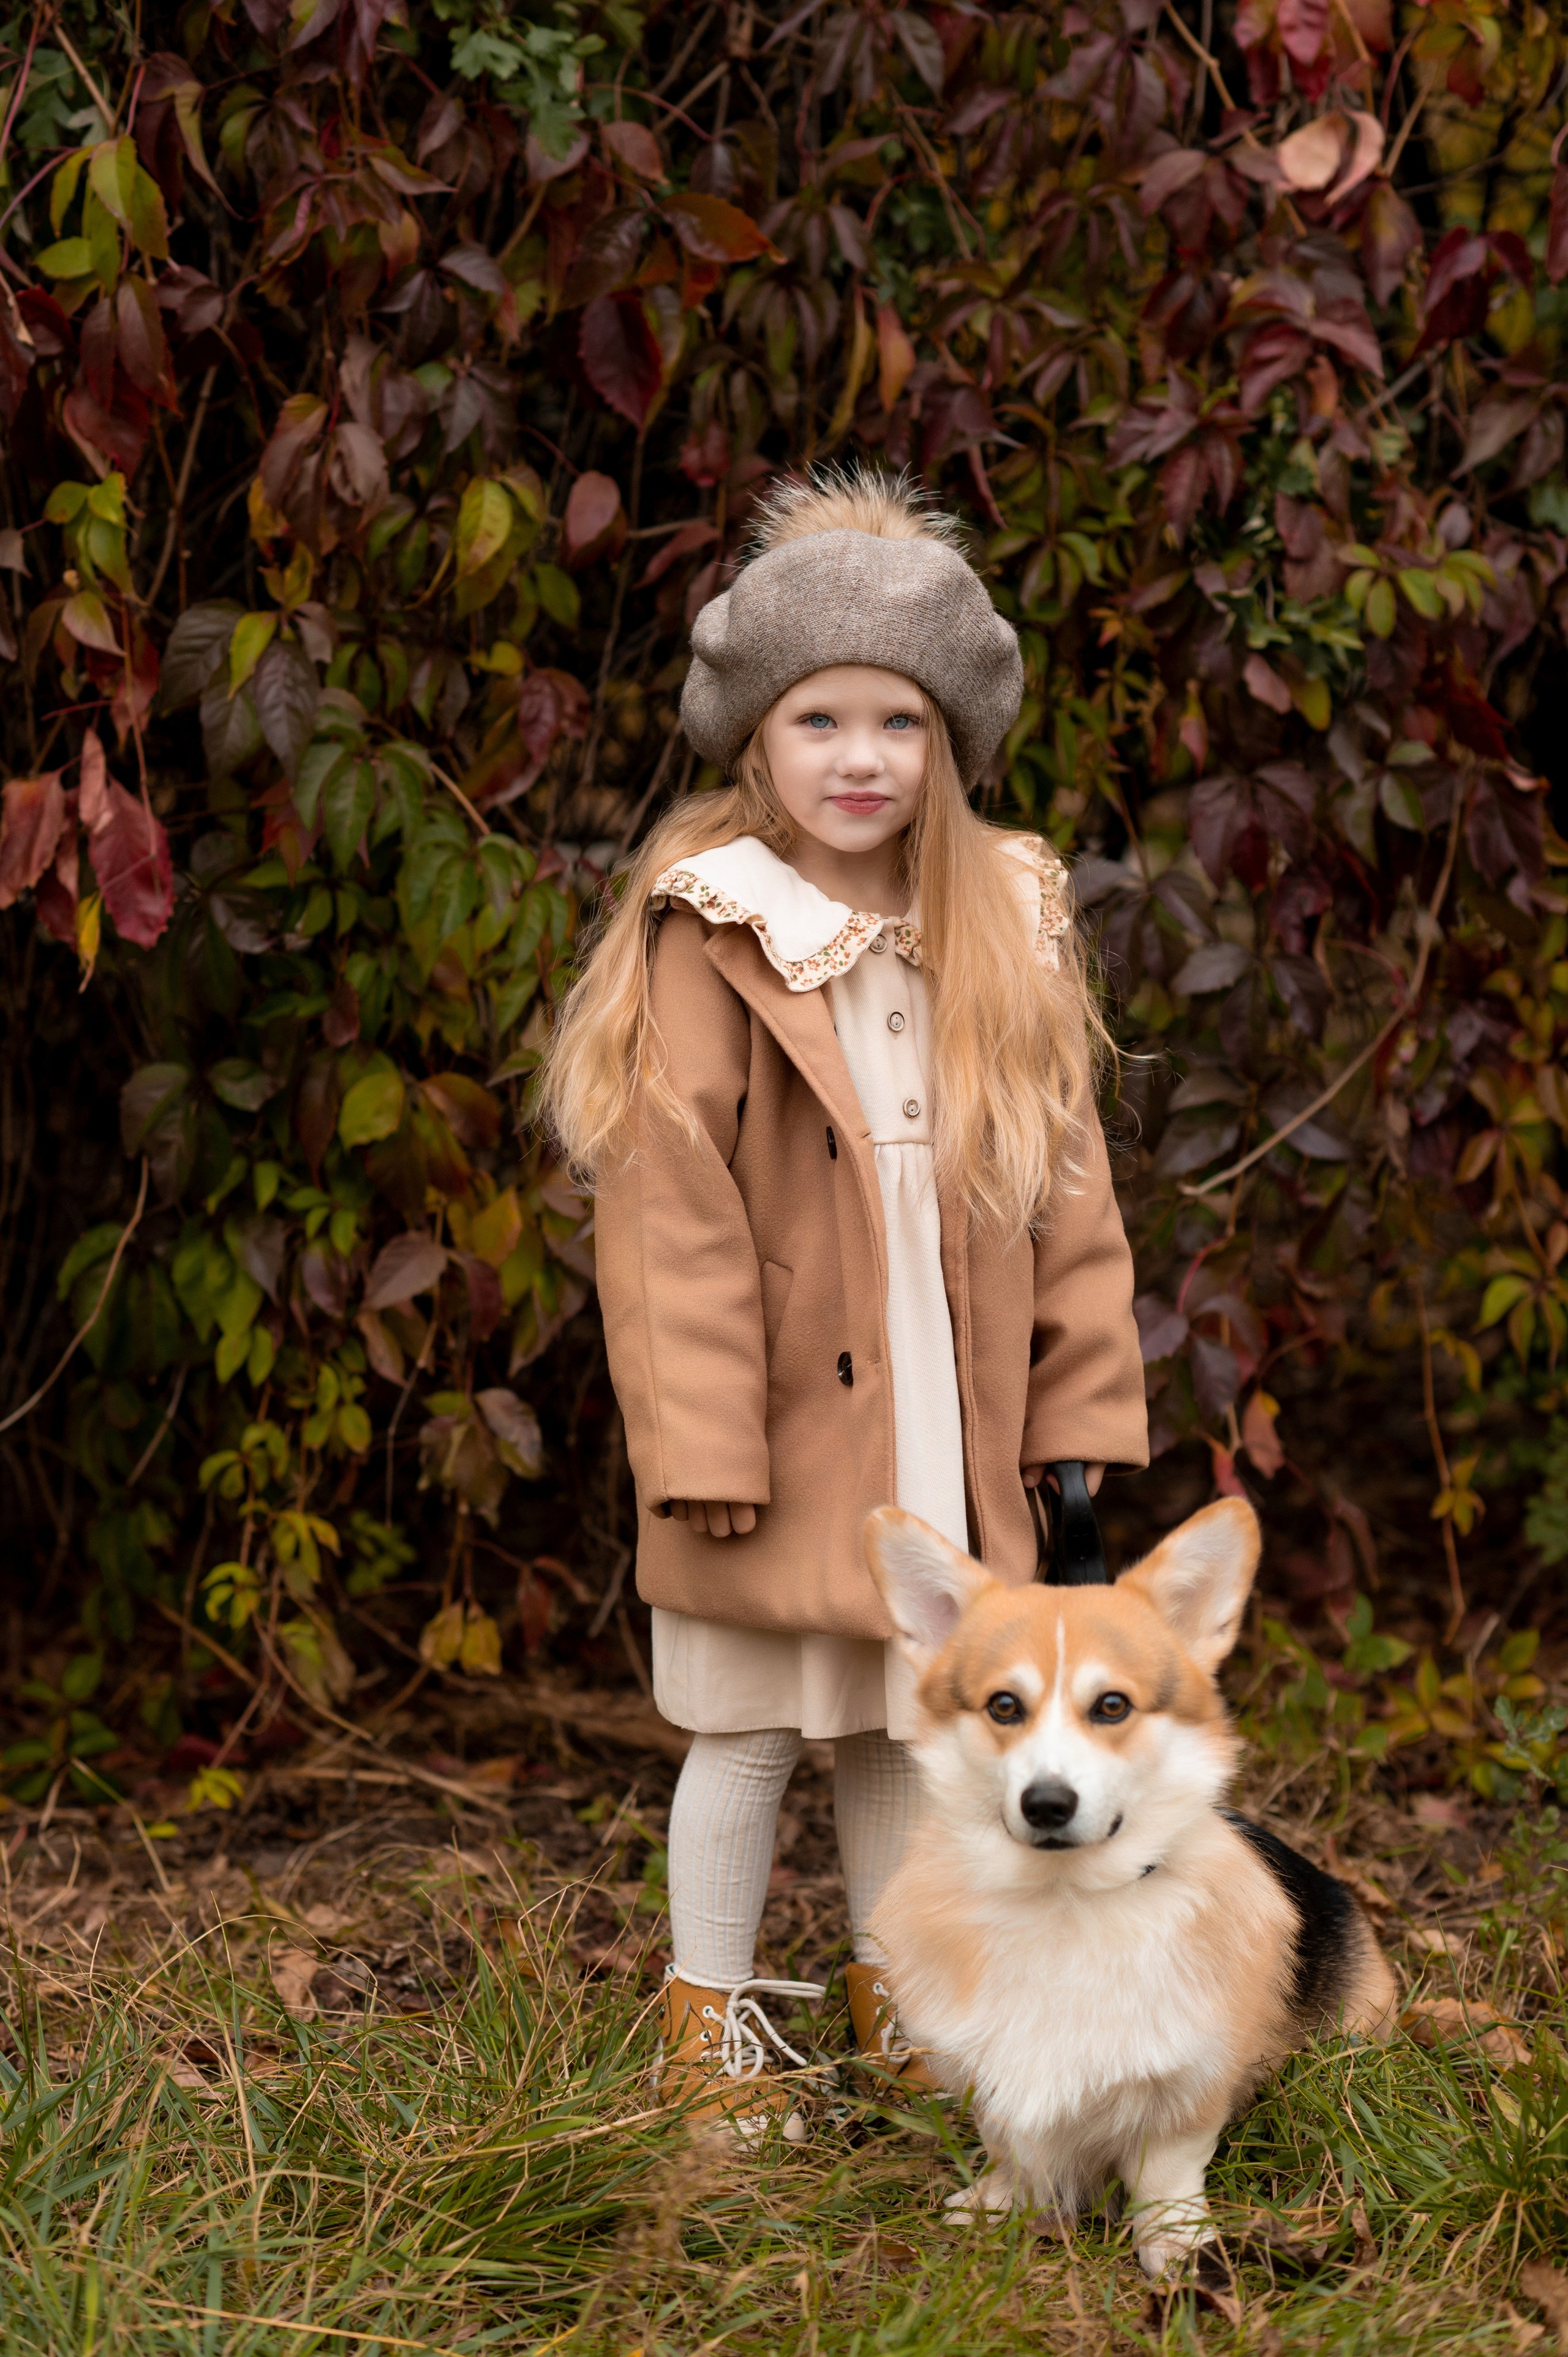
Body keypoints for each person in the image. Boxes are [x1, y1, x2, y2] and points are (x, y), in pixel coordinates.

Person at [540, 467, 1148, 2140]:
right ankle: (712, 2026)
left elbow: (1067, 1190)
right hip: (778, 1416)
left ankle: (903, 1999)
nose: (862, 758)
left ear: (948, 746)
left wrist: (1081, 1415)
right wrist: (701, 1438)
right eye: (822, 719)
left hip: (948, 1404)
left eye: (899, 722)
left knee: (903, 1722)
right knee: (744, 1727)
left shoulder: (1001, 922)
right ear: (760, 739)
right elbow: (674, 1216)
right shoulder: (720, 929)